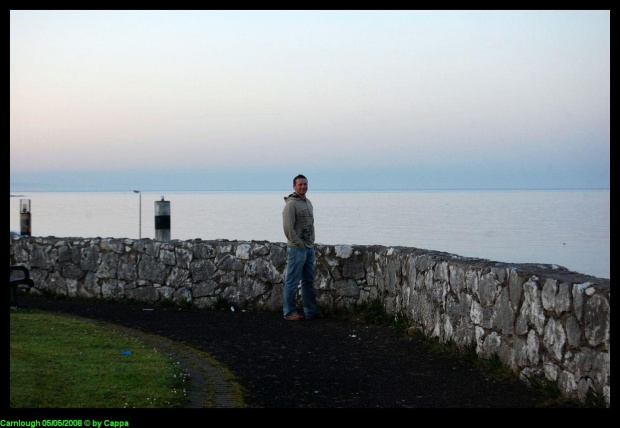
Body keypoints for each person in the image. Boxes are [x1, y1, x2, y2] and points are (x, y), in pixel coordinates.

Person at [282, 174, 321, 321]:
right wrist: (299, 244)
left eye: (305, 184)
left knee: (308, 280)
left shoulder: (308, 202)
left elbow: (311, 224)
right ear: (294, 186)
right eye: (300, 184)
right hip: (297, 248)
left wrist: (310, 243)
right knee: (292, 281)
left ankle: (311, 311)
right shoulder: (291, 204)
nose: (303, 187)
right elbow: (288, 228)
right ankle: (289, 313)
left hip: (309, 247)